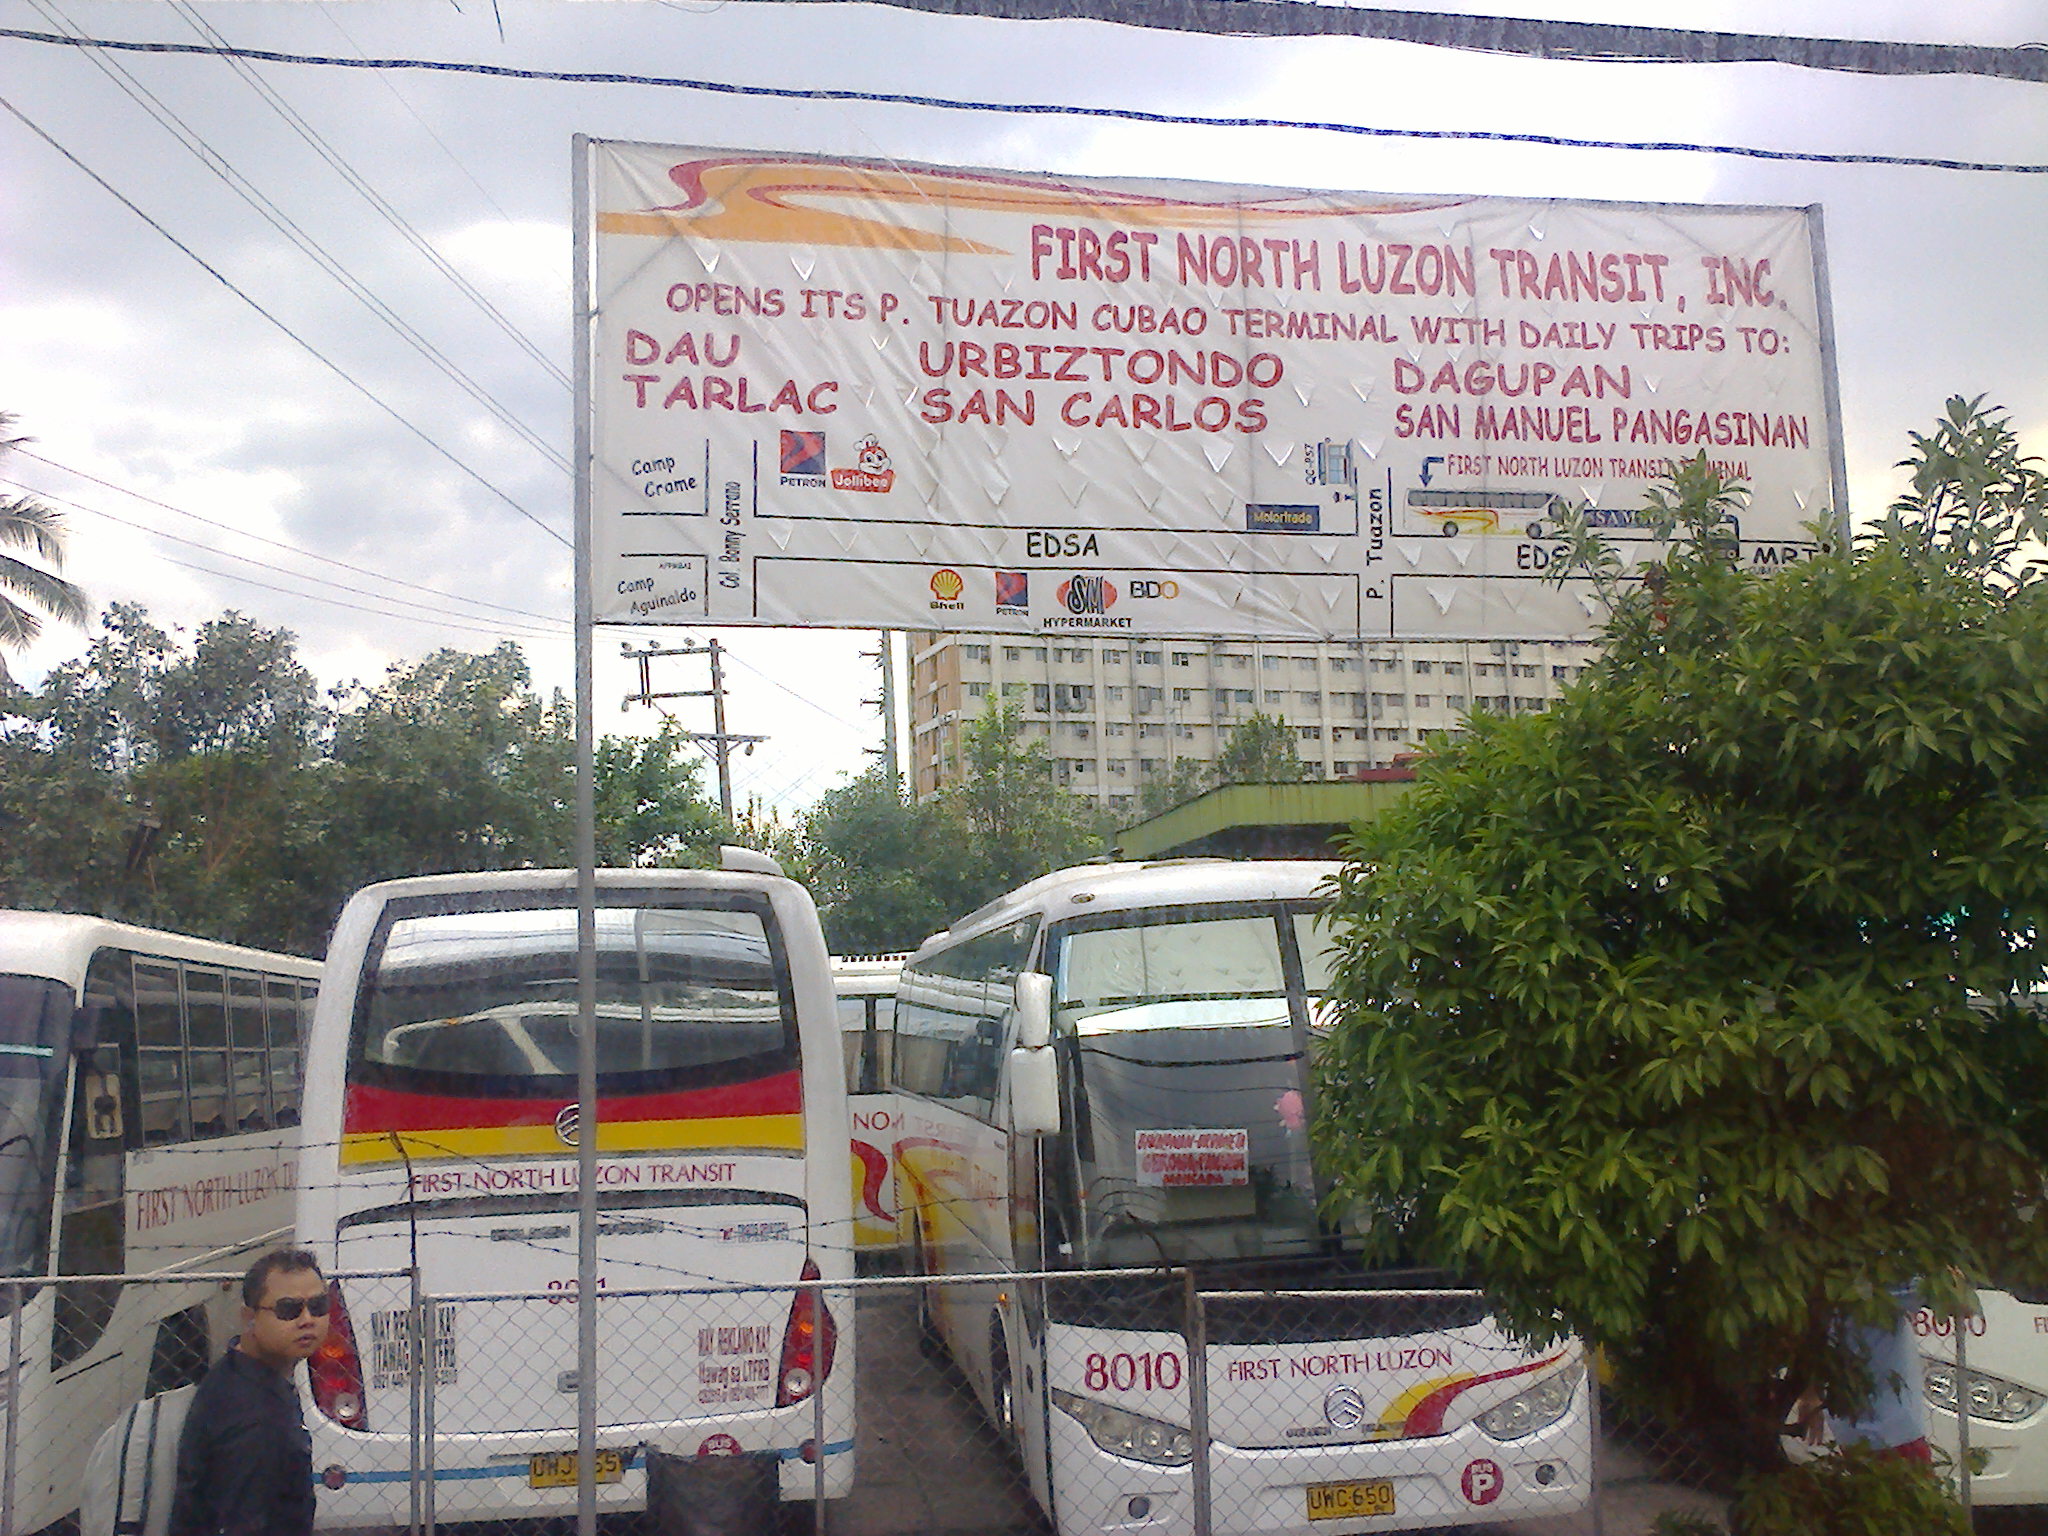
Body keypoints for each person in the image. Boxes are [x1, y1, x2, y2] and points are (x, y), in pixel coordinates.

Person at [168, 1249, 328, 1536]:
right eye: (288, 1309)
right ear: (249, 1317)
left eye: (318, 1306)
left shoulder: (241, 1377)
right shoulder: (254, 1419)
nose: (307, 1319)